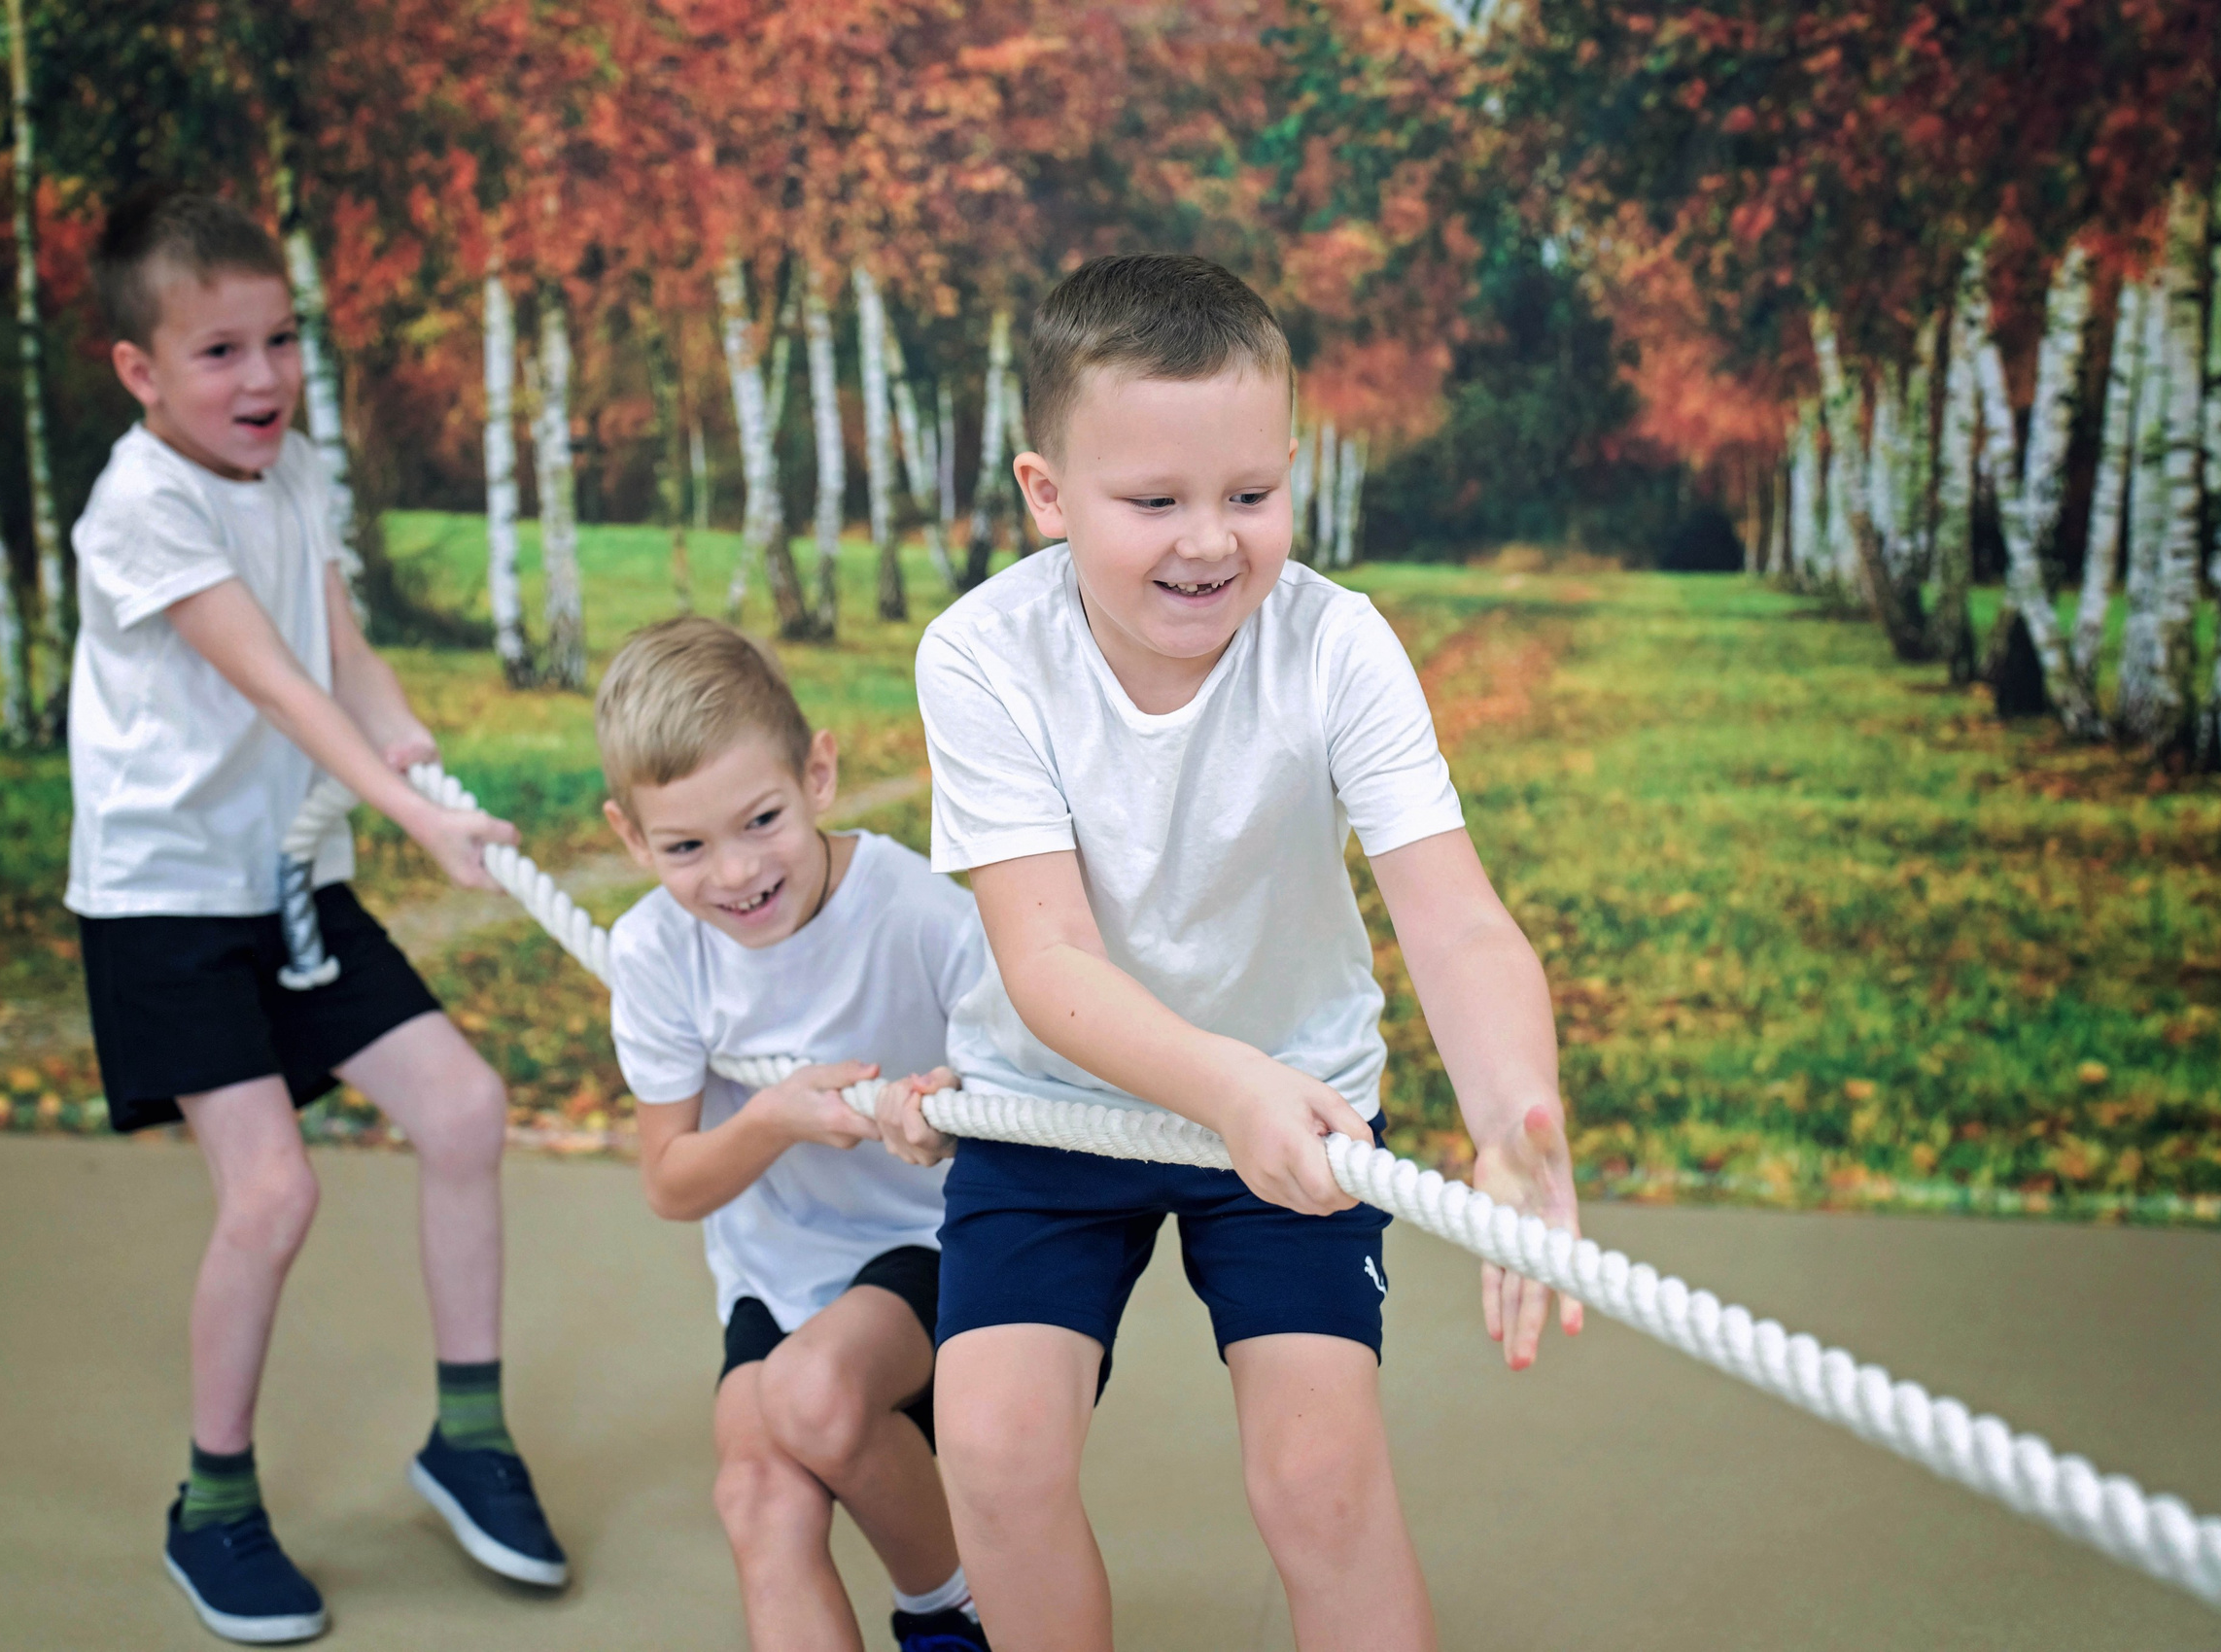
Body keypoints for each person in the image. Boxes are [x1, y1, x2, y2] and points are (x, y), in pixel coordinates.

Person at [907, 253, 1586, 1651]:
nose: (1208, 542)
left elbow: (1453, 916)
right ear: (1046, 495)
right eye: (1153, 502)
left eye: (1251, 497)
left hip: (1303, 1108)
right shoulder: (979, 655)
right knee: (991, 1448)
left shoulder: (1340, 647)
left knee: (1319, 1485)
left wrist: (1516, 1114)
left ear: (1294, 471)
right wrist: (1221, 1088)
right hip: (1056, 1108)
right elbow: (1047, 960)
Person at [67, 189, 565, 1644]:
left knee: (465, 1110)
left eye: (280, 340)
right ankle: (211, 1505)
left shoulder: (286, 475)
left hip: (289, 883)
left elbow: (341, 650)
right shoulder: (140, 509)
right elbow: (270, 680)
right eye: (218, 352)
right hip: (168, 906)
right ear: (141, 373)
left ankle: (466, 1435)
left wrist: (410, 748)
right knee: (272, 1193)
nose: (264, 378)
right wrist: (414, 824)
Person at [597, 617, 992, 1652]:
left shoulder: (915, 912)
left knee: (812, 1393)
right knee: (755, 1494)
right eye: (684, 846)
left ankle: (953, 1612)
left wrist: (941, 1112)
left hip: (939, 1250)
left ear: (817, 773)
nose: (733, 872)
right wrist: (774, 1117)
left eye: (759, 819)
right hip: (778, 1275)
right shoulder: (654, 951)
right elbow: (672, 1182)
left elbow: (1029, 1080)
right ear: (632, 840)